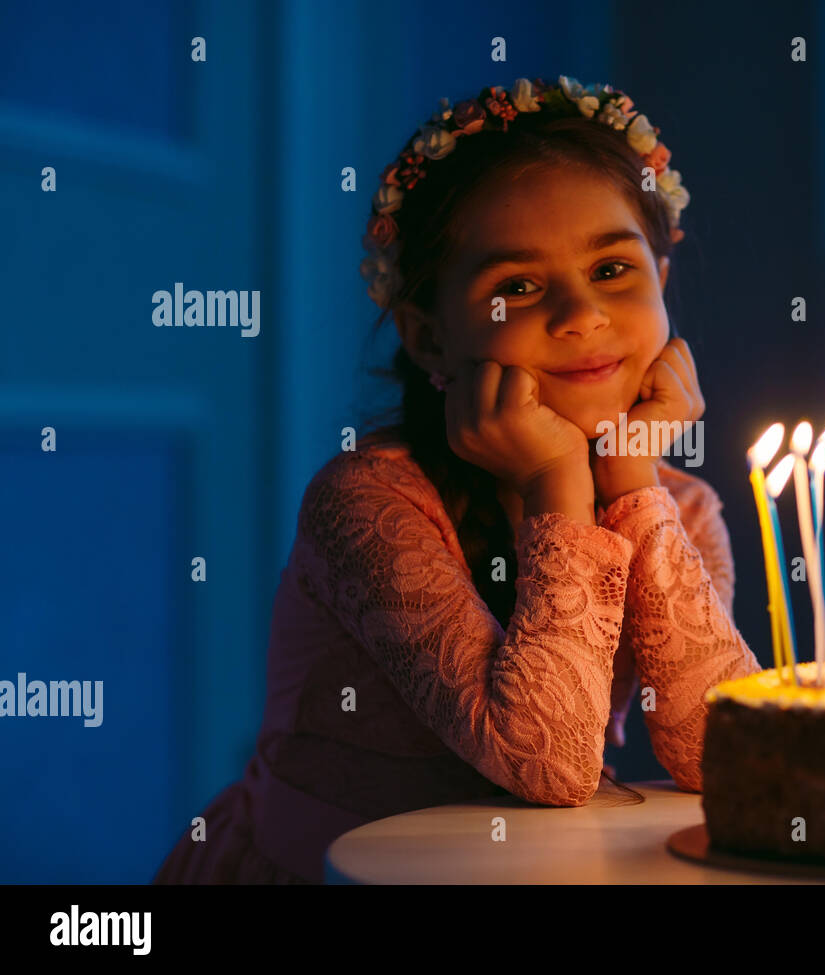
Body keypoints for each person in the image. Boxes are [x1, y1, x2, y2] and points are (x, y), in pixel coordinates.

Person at [153, 76, 762, 884]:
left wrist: (633, 490)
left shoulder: (677, 505)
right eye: (518, 286)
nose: (581, 313)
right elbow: (544, 763)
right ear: (431, 338)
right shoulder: (367, 503)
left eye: (613, 268)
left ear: (662, 276)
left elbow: (728, 758)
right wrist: (555, 480)